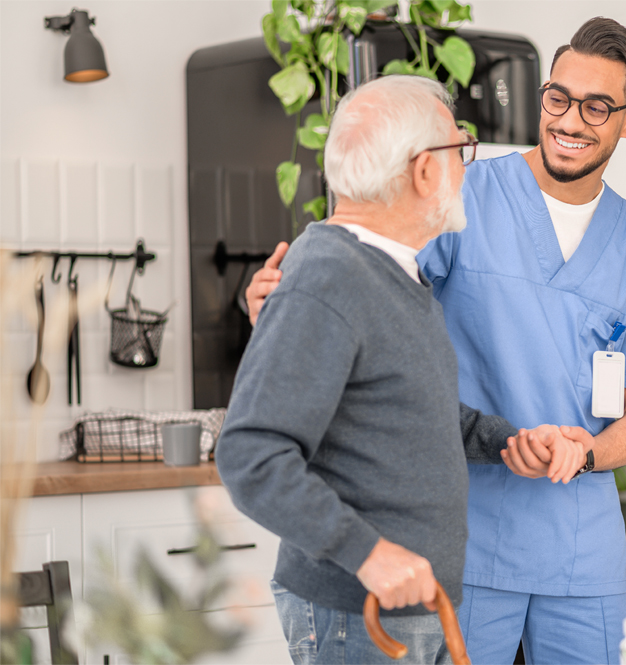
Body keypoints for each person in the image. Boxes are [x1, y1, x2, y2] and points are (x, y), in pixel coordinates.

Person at [246, 18, 626, 664]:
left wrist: (589, 451)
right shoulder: (461, 193)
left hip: (580, 552)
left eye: (596, 106)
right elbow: (359, 278)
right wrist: (279, 306)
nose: (570, 119)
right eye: (558, 97)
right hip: (469, 533)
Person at [216, 75, 586, 665]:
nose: (468, 166)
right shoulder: (330, 276)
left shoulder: (391, 274)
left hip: (413, 612)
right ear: (422, 171)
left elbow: (418, 415)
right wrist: (369, 554)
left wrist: (511, 441)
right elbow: (249, 455)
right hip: (354, 615)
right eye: (459, 150)